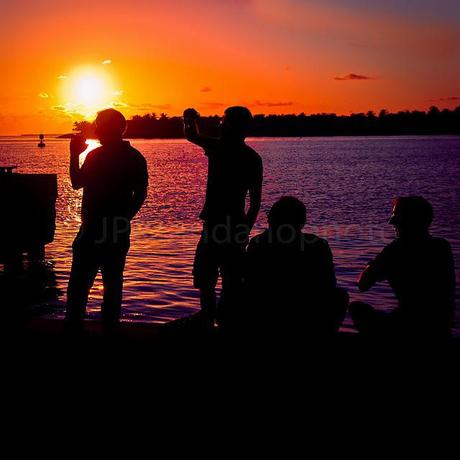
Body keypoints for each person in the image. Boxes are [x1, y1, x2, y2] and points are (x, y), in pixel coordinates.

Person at [66, 109, 148, 330]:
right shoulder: (134, 157)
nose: (95, 126)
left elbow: (76, 183)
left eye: (99, 122)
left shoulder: (97, 156)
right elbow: (141, 194)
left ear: (109, 127)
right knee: (113, 285)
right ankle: (110, 331)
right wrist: (125, 218)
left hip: (92, 230)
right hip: (116, 231)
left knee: (79, 288)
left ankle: (74, 332)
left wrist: (74, 154)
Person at [183, 106, 263, 328]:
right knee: (222, 277)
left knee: (214, 276)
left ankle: (215, 318)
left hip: (220, 225)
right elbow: (255, 202)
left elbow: (255, 200)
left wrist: (189, 120)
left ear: (234, 126)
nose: (221, 124)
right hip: (230, 224)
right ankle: (217, 318)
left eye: (225, 121)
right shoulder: (248, 156)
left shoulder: (222, 149)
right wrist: (245, 227)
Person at [350, 196, 456, 340]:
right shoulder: (442, 246)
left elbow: (362, 284)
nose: (392, 225)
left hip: (407, 325)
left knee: (357, 308)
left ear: (406, 222)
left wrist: (373, 265)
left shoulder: (395, 250)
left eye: (396, 220)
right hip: (441, 326)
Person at [243, 197, 348, 338]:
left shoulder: (258, 243)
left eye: (270, 217)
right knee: (340, 295)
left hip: (264, 314)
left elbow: (248, 282)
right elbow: (329, 284)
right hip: (306, 316)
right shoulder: (318, 246)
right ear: (302, 222)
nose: (268, 220)